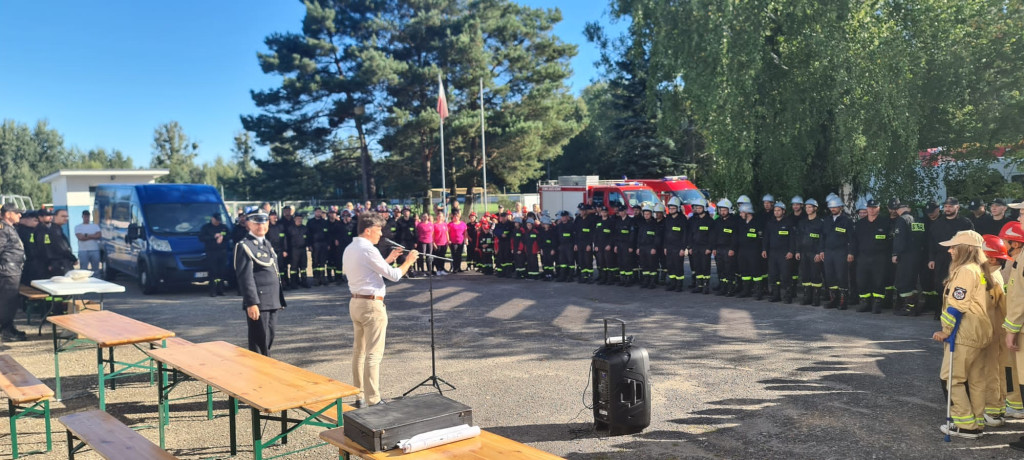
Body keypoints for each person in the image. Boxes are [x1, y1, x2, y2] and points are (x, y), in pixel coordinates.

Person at [343, 212, 419, 408]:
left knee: (359, 352)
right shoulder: (368, 249)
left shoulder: (351, 248)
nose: (381, 234)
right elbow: (394, 275)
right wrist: (408, 261)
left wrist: (388, 258)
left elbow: (368, 272)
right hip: (371, 306)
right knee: (373, 354)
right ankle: (374, 400)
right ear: (368, 230)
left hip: (356, 303)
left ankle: (359, 395)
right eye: (378, 230)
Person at [933, 230, 990, 439]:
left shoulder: (966, 270)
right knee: (975, 379)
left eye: (953, 247)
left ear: (965, 249)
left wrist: (945, 330)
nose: (950, 250)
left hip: (965, 333)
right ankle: (976, 421)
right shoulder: (978, 269)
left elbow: (957, 305)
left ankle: (964, 424)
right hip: (979, 331)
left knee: (951, 378)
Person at [235, 210, 286, 356]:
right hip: (260, 301)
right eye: (256, 223)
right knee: (259, 341)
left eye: (264, 222)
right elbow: (245, 277)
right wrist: (251, 303)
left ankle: (265, 368)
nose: (261, 226)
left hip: (272, 300)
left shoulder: (266, 243)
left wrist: (279, 298)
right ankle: (259, 372)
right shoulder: (245, 245)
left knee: (269, 337)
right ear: (248, 224)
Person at [929, 197, 975, 318]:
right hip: (941, 258)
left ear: (957, 207)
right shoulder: (937, 223)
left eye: (950, 206)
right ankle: (939, 311)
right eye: (946, 207)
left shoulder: (965, 223)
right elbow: (931, 242)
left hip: (960, 258)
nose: (947, 209)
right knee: (940, 285)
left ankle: (955, 312)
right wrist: (931, 258)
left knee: (957, 284)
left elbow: (972, 241)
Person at [851, 199, 891, 313]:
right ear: (867, 208)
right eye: (870, 207)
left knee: (878, 280)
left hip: (880, 256)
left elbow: (890, 241)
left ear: (879, 208)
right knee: (862, 280)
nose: (872, 209)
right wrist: (852, 253)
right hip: (863, 256)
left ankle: (877, 303)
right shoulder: (860, 224)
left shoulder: (885, 222)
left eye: (874, 207)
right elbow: (854, 241)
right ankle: (865, 302)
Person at [893, 202, 927, 316]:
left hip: (906, 256)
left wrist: (895, 254)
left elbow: (900, 240)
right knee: (912, 282)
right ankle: (914, 306)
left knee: (903, 282)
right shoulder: (917, 220)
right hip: (917, 255)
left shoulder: (902, 220)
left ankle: (909, 307)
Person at [0, 204, 27, 342]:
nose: (20, 215)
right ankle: (6, 330)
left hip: (13, 270)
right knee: (7, 302)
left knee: (11, 302)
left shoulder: (9, 227)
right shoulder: (3, 228)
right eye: (17, 213)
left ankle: (9, 327)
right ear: (8, 214)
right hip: (8, 271)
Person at [822, 195, 854, 309]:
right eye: (831, 207)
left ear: (840, 207)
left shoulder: (847, 220)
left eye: (835, 207)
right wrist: (822, 251)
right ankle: (833, 299)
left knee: (841, 276)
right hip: (829, 252)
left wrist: (851, 253)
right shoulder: (827, 220)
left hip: (841, 252)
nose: (833, 209)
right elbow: (823, 237)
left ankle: (843, 301)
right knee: (830, 276)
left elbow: (851, 238)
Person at [795, 198, 826, 306]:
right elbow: (798, 237)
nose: (807, 209)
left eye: (810, 207)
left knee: (815, 275)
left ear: (815, 208)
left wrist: (819, 252)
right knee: (805, 275)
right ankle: (807, 297)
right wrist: (797, 251)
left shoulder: (820, 223)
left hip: (814, 253)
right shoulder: (802, 222)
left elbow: (822, 239)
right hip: (804, 253)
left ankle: (816, 298)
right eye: (806, 207)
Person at [198, 213, 231, 296]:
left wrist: (222, 237)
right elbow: (201, 238)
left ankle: (220, 289)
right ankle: (212, 290)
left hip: (222, 252)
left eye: (219, 220)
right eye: (216, 220)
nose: (217, 222)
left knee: (221, 272)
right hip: (211, 252)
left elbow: (228, 235)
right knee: (213, 272)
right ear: (212, 219)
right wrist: (214, 236)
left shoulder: (223, 227)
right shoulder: (206, 227)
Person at [38, 209, 76, 278]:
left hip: (61, 263)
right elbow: (61, 247)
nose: (66, 218)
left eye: (67, 216)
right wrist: (73, 258)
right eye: (63, 216)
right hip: (59, 264)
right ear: (54, 217)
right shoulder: (54, 230)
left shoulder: (58, 229)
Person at [712, 199, 738, 295]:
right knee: (721, 270)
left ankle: (731, 289)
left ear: (729, 210)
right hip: (719, 249)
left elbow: (735, 237)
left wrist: (732, 249)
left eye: (725, 210)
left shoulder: (733, 222)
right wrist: (714, 248)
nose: (722, 212)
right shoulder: (717, 221)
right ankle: (723, 288)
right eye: (721, 210)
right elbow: (713, 236)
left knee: (729, 270)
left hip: (728, 249)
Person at [688, 198, 714, 293]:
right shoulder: (693, 220)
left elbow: (712, 236)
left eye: (700, 207)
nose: (698, 209)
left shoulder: (710, 221)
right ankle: (699, 285)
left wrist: (709, 248)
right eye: (696, 208)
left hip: (705, 247)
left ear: (704, 208)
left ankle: (706, 286)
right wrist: (690, 247)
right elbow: (690, 235)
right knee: (697, 266)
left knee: (705, 267)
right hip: (695, 247)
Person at [663, 197, 688, 292]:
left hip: (678, 247)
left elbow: (685, 235)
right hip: (669, 246)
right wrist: (665, 246)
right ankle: (672, 283)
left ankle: (679, 284)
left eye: (673, 208)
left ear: (677, 208)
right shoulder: (668, 219)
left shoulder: (682, 219)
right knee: (670, 265)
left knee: (678, 266)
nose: (671, 210)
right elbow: (665, 233)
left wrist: (683, 248)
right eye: (670, 208)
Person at [266, 211, 290, 289]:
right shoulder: (266, 227)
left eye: (275, 215)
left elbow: (285, 239)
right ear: (269, 217)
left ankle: (282, 282)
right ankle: (273, 283)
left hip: (280, 250)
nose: (274, 217)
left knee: (281, 267)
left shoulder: (280, 226)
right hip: (270, 250)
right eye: (272, 215)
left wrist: (285, 250)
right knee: (271, 267)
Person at [286, 214, 310, 288]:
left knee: (303, 267)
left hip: (303, 250)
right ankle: (294, 283)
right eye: (297, 218)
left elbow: (308, 238)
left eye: (300, 218)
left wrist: (309, 245)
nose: (299, 220)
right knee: (294, 267)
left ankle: (304, 282)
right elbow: (287, 240)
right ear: (294, 219)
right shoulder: (290, 229)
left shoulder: (305, 228)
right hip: (294, 250)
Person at [74, 210, 101, 275]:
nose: (86, 218)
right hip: (83, 250)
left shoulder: (95, 226)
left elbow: (98, 235)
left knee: (96, 269)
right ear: (82, 217)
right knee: (83, 269)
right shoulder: (78, 227)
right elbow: (80, 238)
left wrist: (86, 235)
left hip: (94, 250)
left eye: (88, 216)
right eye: (85, 216)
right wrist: (92, 235)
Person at [555, 211, 576, 282]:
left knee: (570, 261)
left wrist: (574, 245)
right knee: (562, 262)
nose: (563, 218)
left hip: (569, 245)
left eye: (565, 216)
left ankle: (570, 276)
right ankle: (562, 276)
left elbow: (574, 236)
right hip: (561, 246)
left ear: (567, 217)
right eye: (562, 216)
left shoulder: (571, 225)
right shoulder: (559, 226)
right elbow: (556, 236)